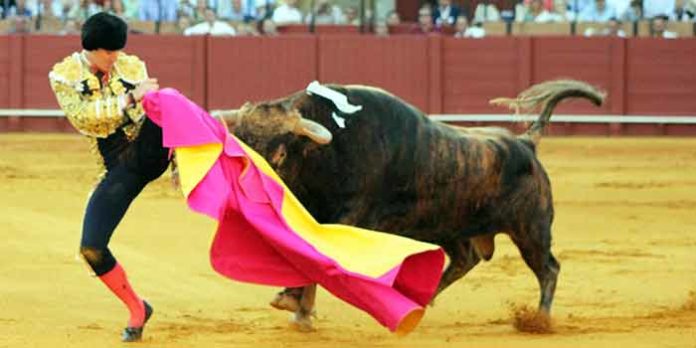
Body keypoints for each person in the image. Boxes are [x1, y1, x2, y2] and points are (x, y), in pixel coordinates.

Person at [48, 12, 170, 342]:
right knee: (91, 248)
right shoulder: (63, 76)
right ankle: (137, 309)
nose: (116, 58)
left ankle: (188, 158)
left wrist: (142, 101)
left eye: (118, 51)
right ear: (92, 49)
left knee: (169, 101)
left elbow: (148, 109)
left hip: (149, 148)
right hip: (118, 166)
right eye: (109, 52)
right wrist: (130, 98)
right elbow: (85, 119)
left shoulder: (130, 65)